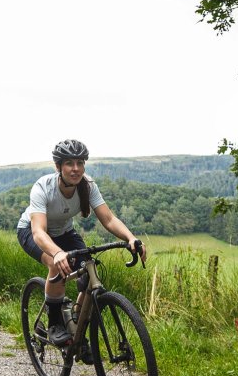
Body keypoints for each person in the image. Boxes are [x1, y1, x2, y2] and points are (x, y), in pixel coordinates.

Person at [17, 139, 146, 346]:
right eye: (69, 163)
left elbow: (109, 219)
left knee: (88, 268)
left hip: (65, 232)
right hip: (31, 232)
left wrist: (130, 238)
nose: (75, 169)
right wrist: (58, 253)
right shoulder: (43, 187)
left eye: (80, 163)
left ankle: (76, 324)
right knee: (55, 264)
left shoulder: (88, 186)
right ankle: (55, 324)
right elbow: (38, 231)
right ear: (58, 166)